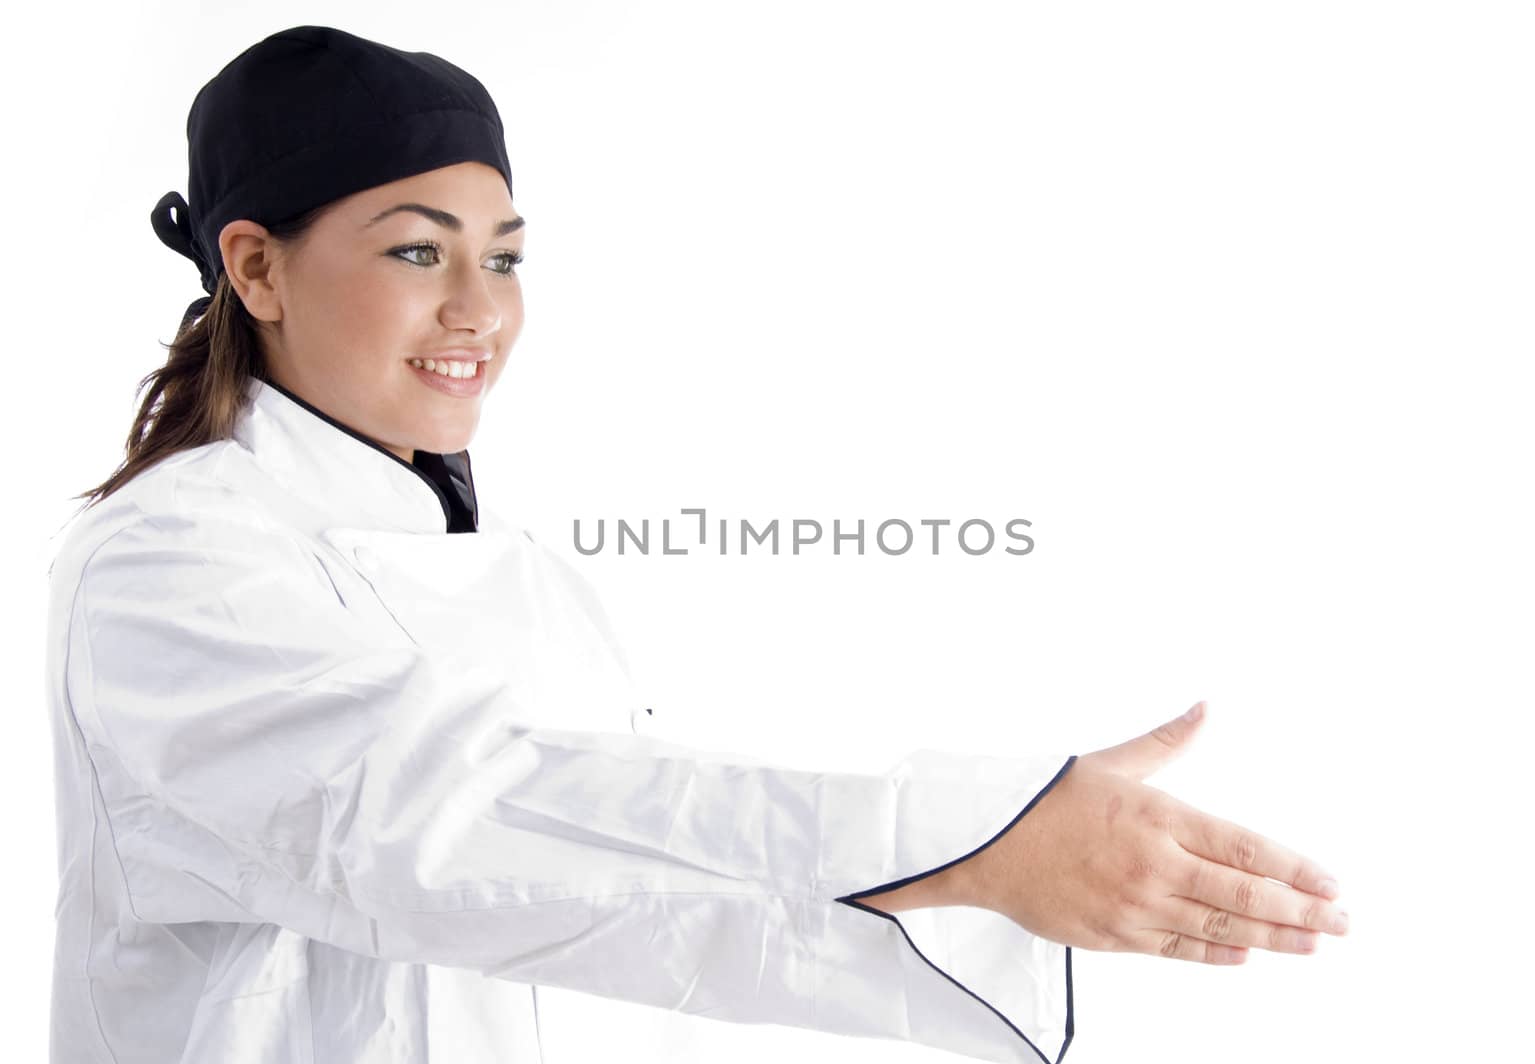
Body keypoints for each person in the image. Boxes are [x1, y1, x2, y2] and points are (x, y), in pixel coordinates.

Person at [44, 24, 1349, 1064]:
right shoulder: (170, 568)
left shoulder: (525, 576)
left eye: (504, 259)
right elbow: (434, 829)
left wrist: (978, 865)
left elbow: (634, 893)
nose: (475, 310)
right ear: (257, 268)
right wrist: (963, 836)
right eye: (415, 251)